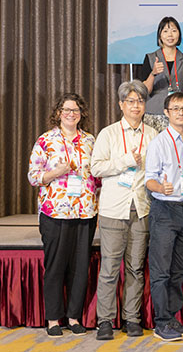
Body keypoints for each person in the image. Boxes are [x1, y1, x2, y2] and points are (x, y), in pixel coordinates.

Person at [90, 80, 158, 340]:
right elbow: (96, 168)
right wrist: (126, 161)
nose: (136, 105)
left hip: (141, 209)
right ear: (121, 105)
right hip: (113, 209)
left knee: (135, 268)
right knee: (109, 268)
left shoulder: (152, 134)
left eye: (140, 101)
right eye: (130, 101)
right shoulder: (108, 133)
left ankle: (132, 318)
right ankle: (105, 320)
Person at [27, 93, 97, 338]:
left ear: (81, 114)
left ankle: (74, 317)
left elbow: (96, 174)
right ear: (58, 113)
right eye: (66, 110)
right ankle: (53, 318)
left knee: (80, 267)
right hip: (55, 213)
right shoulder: (46, 141)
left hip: (85, 212)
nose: (71, 114)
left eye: (76, 110)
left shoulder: (89, 140)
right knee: (55, 266)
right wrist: (55, 172)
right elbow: (34, 177)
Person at [144, 92, 183, 342]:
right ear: (166, 113)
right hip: (165, 210)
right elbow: (149, 179)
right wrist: (161, 187)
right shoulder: (159, 142)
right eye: (175, 108)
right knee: (161, 270)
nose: (181, 112)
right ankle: (161, 322)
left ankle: (172, 318)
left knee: (180, 269)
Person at [137, 16, 183, 132]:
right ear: (160, 35)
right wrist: (153, 73)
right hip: (154, 113)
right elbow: (145, 91)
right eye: (165, 31)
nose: (170, 35)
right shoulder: (150, 58)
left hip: (179, 115)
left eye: (174, 31)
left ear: (179, 34)